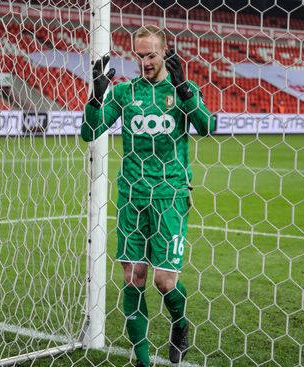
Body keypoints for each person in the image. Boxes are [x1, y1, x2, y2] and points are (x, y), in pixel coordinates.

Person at [81, 25, 215, 367]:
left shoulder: (181, 90)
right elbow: (90, 131)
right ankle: (141, 360)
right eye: (139, 56)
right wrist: (96, 98)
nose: (145, 62)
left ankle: (180, 325)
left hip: (170, 194)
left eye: (151, 55)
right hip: (132, 194)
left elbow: (207, 127)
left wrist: (184, 88)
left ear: (165, 52)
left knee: (164, 281)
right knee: (133, 277)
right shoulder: (126, 93)